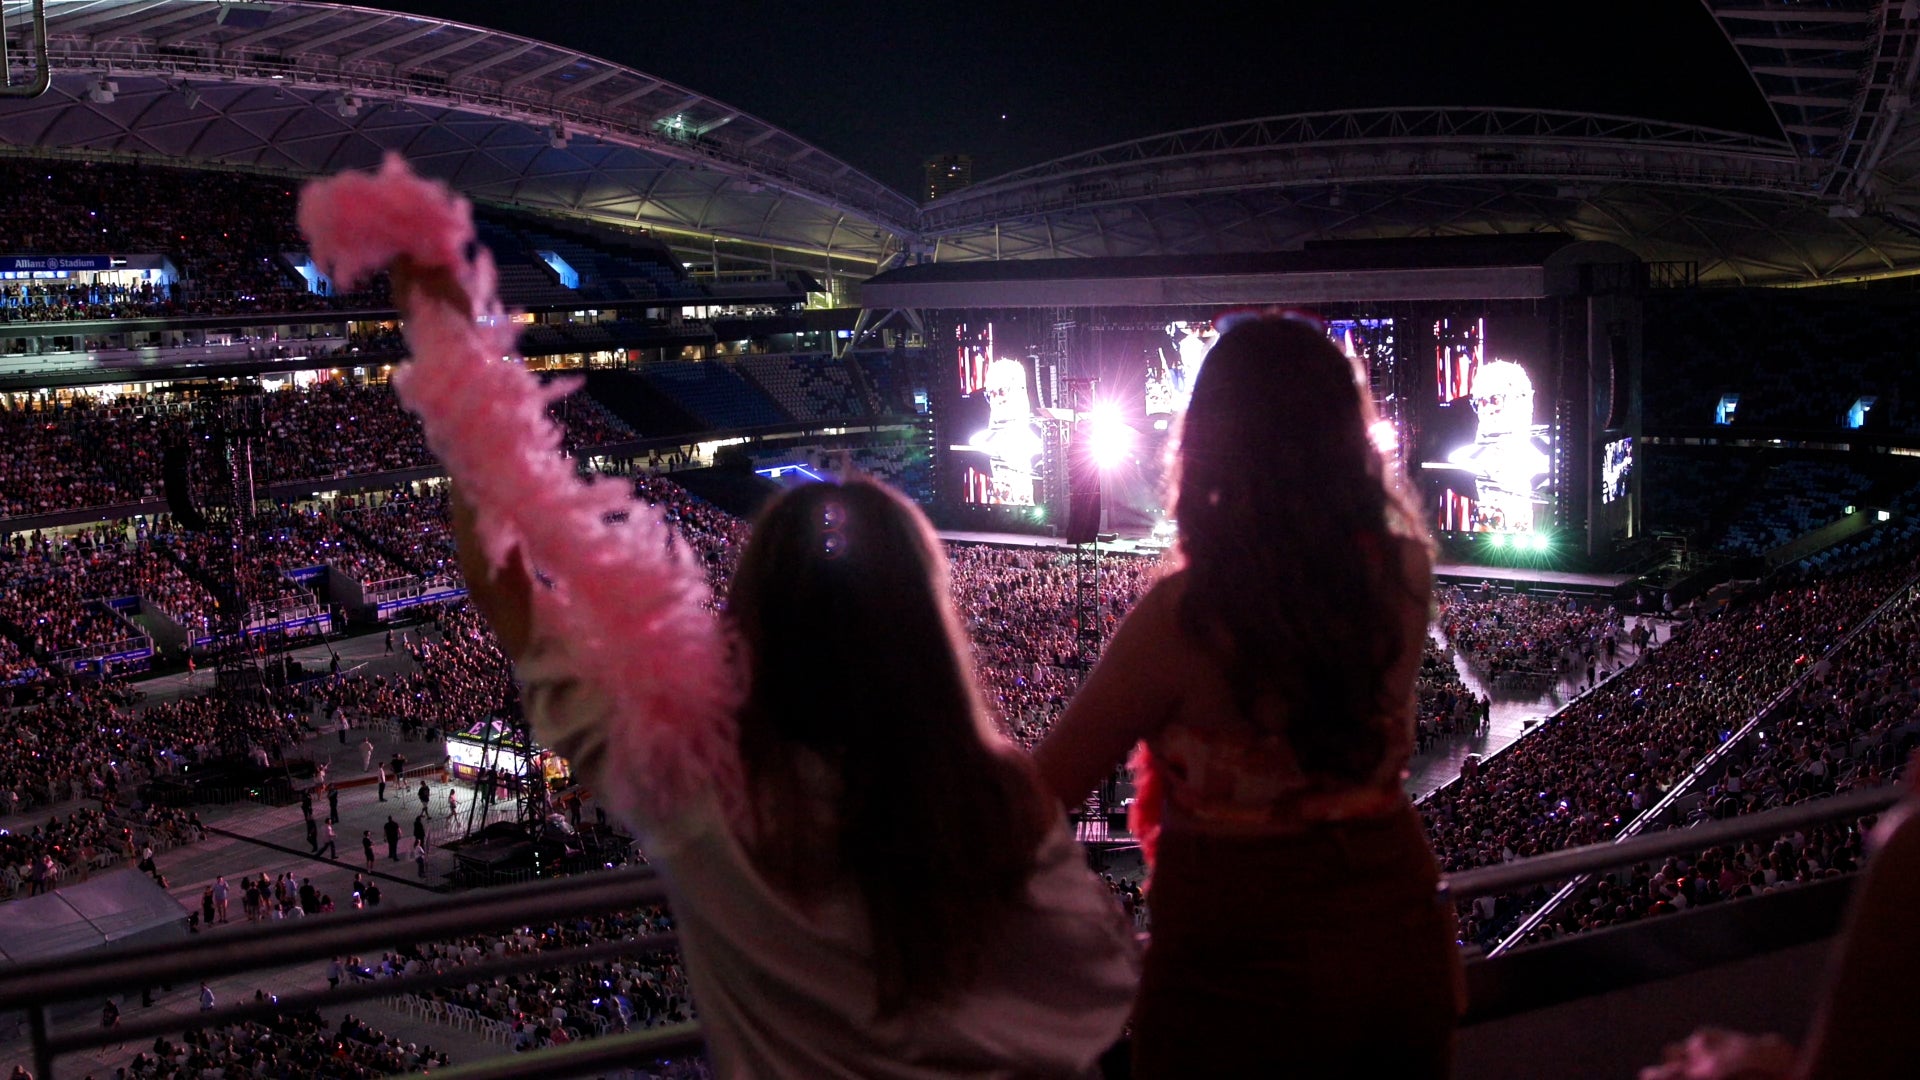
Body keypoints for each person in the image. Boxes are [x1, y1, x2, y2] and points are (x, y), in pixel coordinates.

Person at [456, 478, 1138, 1077]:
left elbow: (503, 584)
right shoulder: (998, 802)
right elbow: (1098, 980)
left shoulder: (697, 792)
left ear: (747, 623)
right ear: (928, 629)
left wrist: (457, 364)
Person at [1035, 313, 1462, 1077]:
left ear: (1209, 442)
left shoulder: (1184, 616)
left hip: (1232, 975)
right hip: (1392, 938)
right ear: (1346, 431)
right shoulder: (1403, 571)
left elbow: (1046, 788)